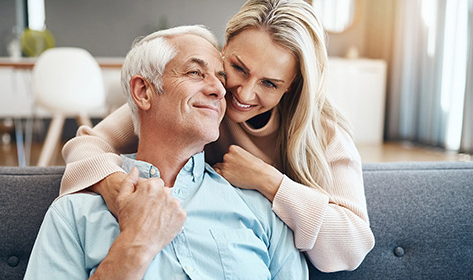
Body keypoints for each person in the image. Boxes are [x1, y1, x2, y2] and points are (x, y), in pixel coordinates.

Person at [60, 0, 374, 272]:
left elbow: (352, 245)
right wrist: (112, 184)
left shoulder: (322, 131)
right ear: (224, 49)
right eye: (238, 67)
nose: (244, 93)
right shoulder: (198, 104)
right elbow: (88, 144)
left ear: (291, 86)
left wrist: (267, 180)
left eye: (270, 84)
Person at [24, 25, 307, 279]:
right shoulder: (74, 215)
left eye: (221, 78)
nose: (220, 90)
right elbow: (87, 143)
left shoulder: (260, 209)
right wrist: (136, 243)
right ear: (144, 92)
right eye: (195, 72)